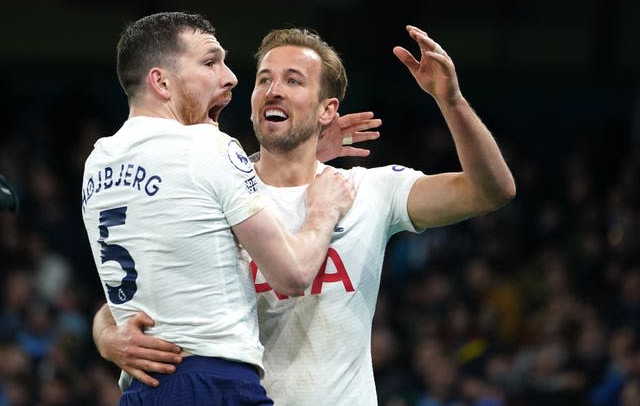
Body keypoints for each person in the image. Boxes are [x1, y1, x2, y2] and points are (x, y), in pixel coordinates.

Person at [93, 24, 516, 405]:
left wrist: (451, 100)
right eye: (264, 80)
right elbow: (136, 289)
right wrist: (108, 336)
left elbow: (491, 190)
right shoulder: (209, 190)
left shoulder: (367, 189)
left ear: (326, 109)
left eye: (293, 81)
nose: (273, 90)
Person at [81, 12, 357, 406]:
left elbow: (168, 263)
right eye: (210, 62)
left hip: (143, 391)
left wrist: (105, 333)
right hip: (213, 384)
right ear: (161, 82)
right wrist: (323, 210)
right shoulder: (211, 148)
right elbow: (293, 275)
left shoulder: (98, 162)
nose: (229, 77)